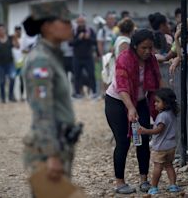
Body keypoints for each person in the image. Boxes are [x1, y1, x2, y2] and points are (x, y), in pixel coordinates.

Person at [21, 0, 82, 191]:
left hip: (59, 144)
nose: (70, 25)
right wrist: (51, 155)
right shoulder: (41, 60)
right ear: (47, 26)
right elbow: (42, 111)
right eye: (64, 21)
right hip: (48, 150)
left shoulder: (52, 55)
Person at [105, 29, 164, 194]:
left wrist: (167, 101)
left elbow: (158, 80)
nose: (147, 52)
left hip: (140, 101)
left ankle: (144, 180)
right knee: (123, 142)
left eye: (150, 48)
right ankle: (120, 182)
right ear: (135, 46)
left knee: (143, 139)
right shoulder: (124, 58)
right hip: (117, 102)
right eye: (144, 48)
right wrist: (130, 108)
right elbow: (122, 86)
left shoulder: (151, 60)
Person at [138, 88, 180, 194]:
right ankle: (173, 185)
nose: (155, 104)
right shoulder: (171, 113)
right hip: (171, 146)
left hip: (161, 147)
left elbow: (158, 130)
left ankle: (154, 187)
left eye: (157, 102)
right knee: (169, 165)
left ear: (166, 103)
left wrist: (145, 131)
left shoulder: (162, 116)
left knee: (157, 167)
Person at [70, 15, 98, 99]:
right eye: (79, 22)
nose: (81, 23)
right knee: (77, 76)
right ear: (77, 22)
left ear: (85, 22)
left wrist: (88, 38)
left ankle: (94, 92)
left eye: (83, 22)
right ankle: (77, 93)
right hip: (77, 57)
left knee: (91, 75)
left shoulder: (90, 30)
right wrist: (78, 38)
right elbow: (70, 43)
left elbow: (95, 42)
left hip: (88, 57)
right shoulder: (74, 31)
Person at [12, 25, 26, 101]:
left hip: (20, 61)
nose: (18, 32)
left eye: (19, 31)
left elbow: (22, 48)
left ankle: (21, 96)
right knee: (14, 80)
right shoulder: (12, 39)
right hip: (14, 62)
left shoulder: (23, 39)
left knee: (21, 79)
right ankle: (14, 96)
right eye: (16, 31)